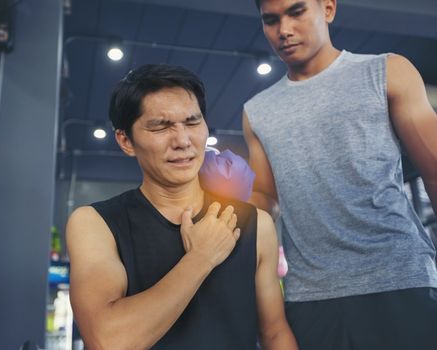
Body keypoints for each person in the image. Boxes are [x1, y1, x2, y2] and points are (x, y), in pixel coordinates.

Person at [240, 0, 437, 348]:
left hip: (399, 279)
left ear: (328, 8)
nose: (283, 30)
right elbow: (265, 200)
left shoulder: (387, 71)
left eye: (296, 12)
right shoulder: (256, 111)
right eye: (270, 20)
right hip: (312, 294)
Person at [66, 64, 298, 350]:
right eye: (161, 126)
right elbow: (108, 341)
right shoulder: (96, 223)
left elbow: (274, 333)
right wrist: (201, 258)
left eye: (192, 122)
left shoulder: (255, 224)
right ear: (126, 140)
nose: (183, 141)